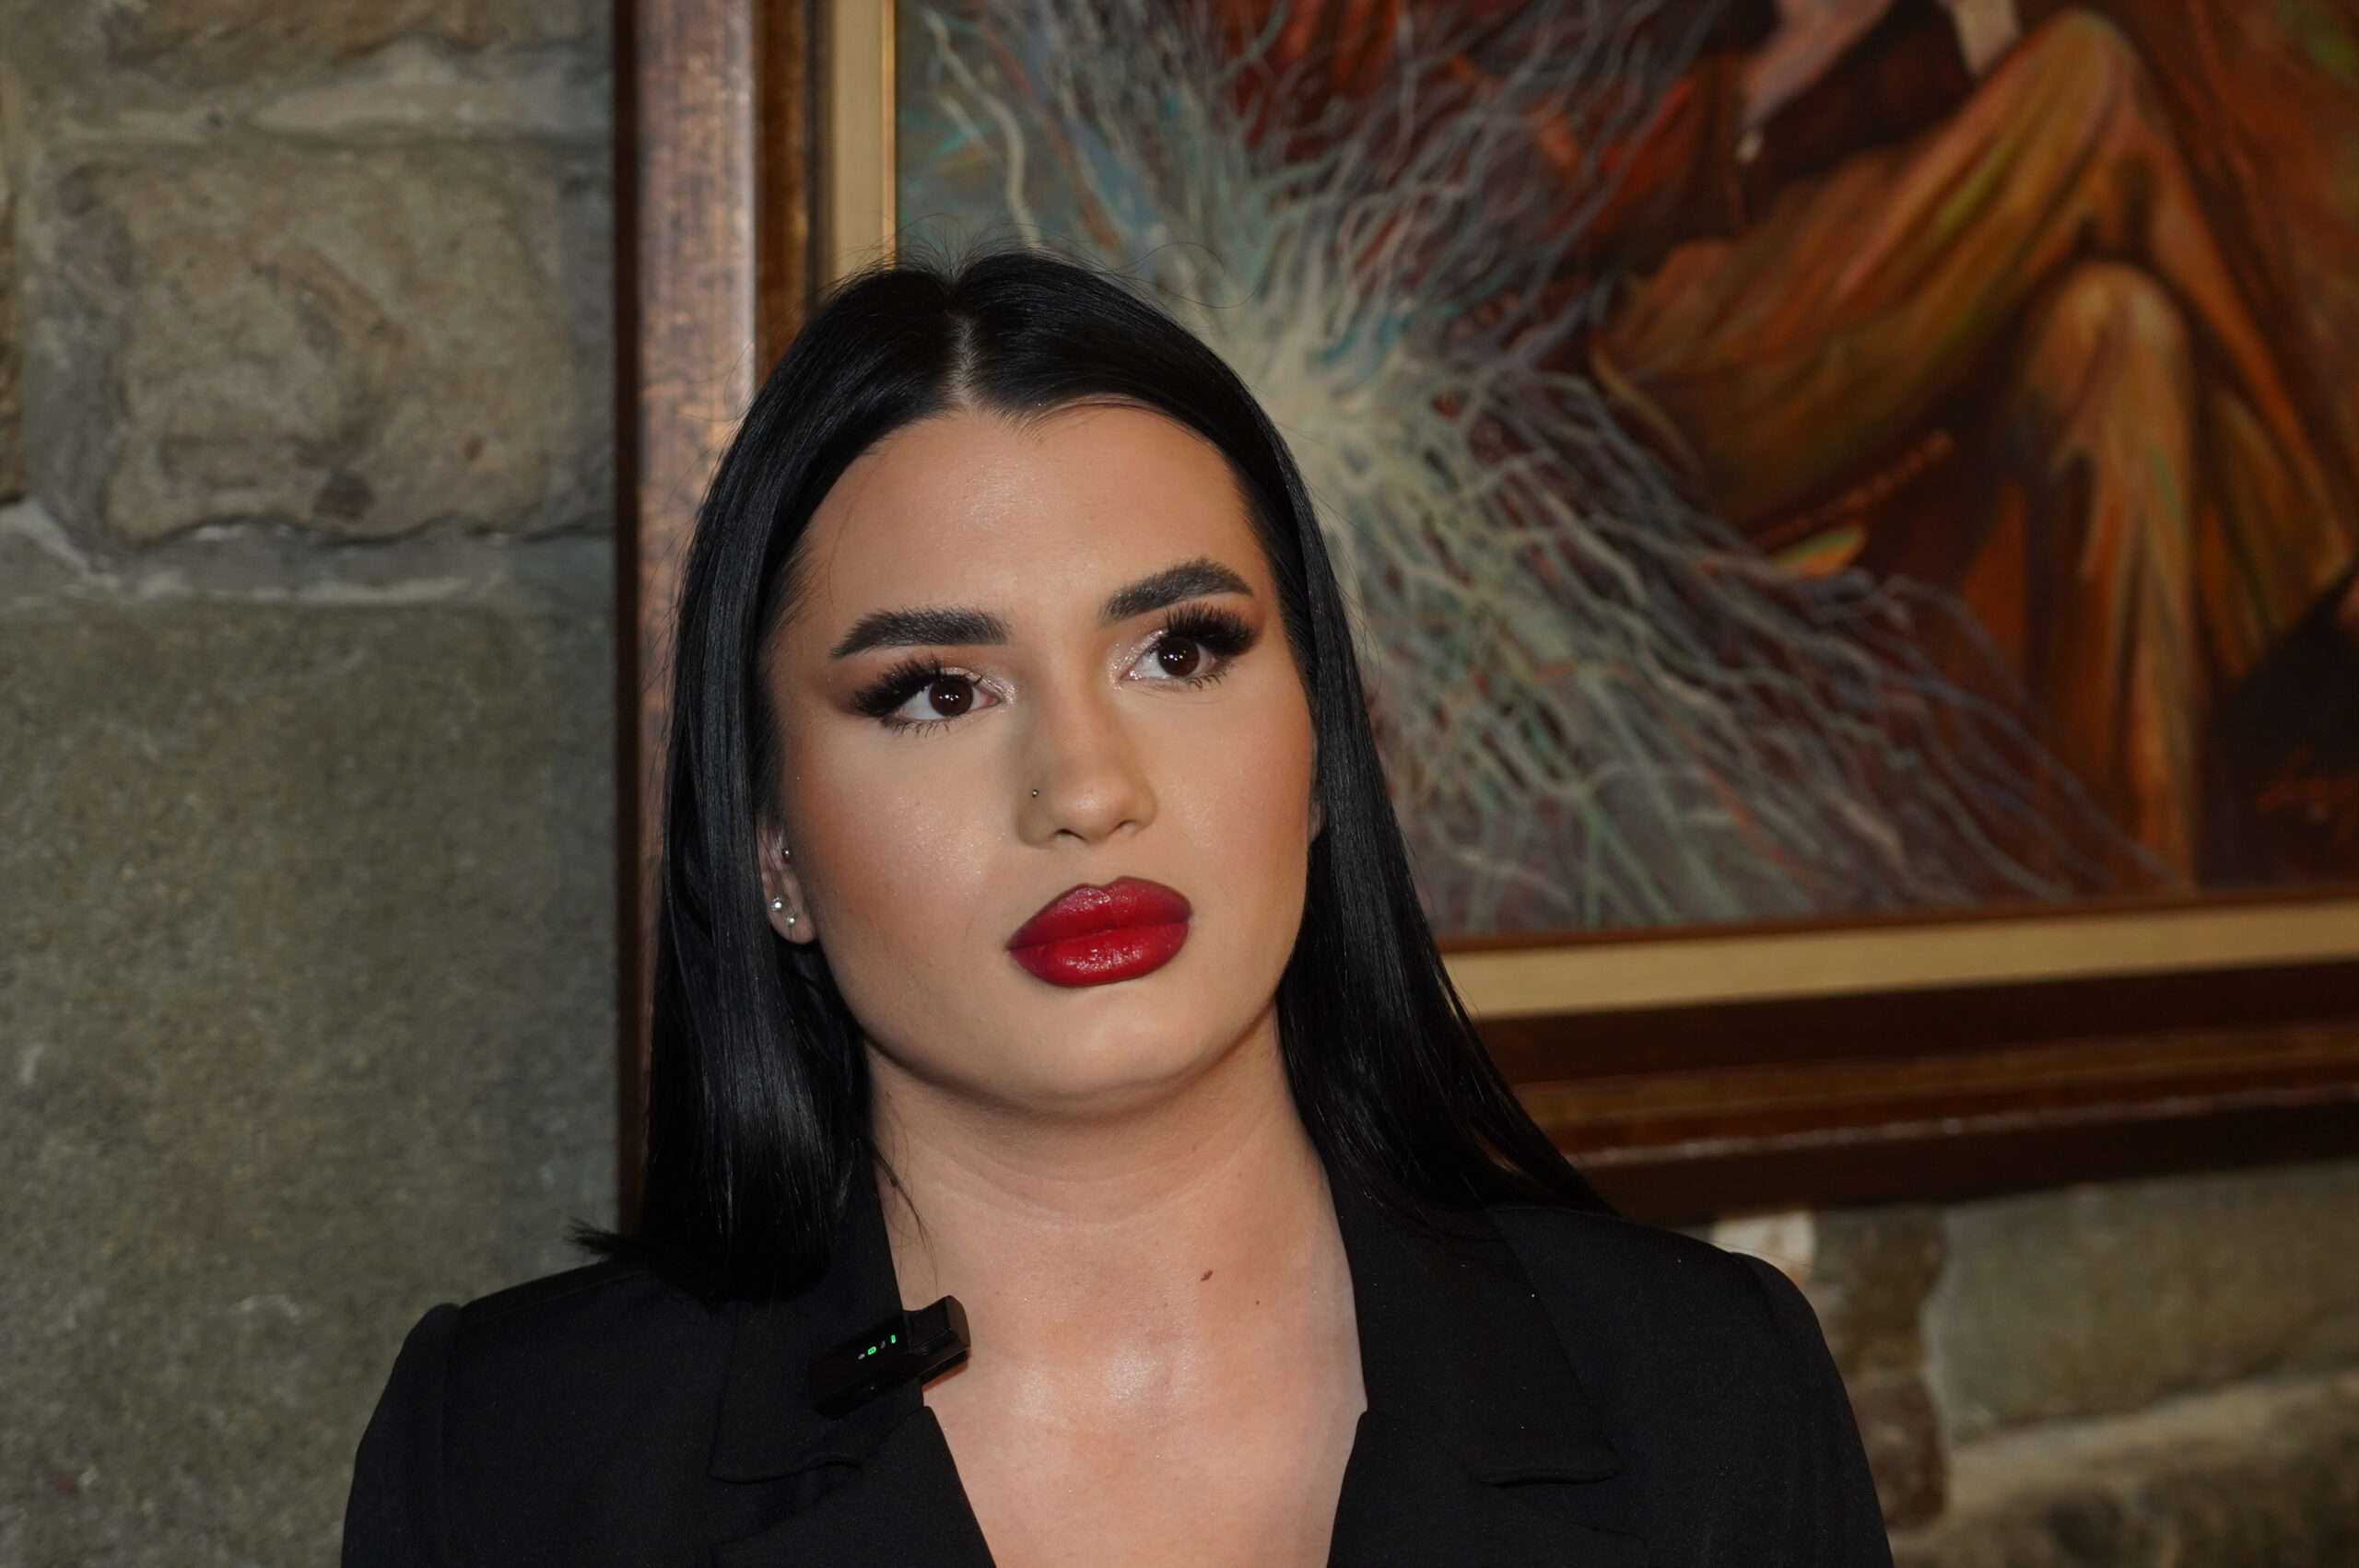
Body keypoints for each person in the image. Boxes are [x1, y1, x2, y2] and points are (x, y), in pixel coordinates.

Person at [341, 251, 1891, 1566]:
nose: (1086, 788)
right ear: (773, 850)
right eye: (938, 691)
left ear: (1323, 750)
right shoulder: (515, 1455)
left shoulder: (1709, 1396)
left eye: (1180, 652)